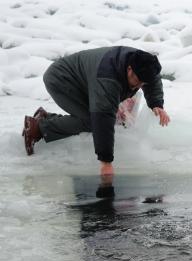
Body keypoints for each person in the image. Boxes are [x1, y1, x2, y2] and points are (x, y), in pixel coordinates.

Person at [22, 46, 170, 176]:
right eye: (137, 80)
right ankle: (38, 127)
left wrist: (156, 103)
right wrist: (106, 162)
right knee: (91, 122)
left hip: (86, 81)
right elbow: (102, 118)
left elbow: (153, 80)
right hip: (62, 79)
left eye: (143, 83)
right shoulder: (109, 77)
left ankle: (47, 118)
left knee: (101, 116)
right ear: (129, 68)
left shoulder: (146, 64)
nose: (138, 85)